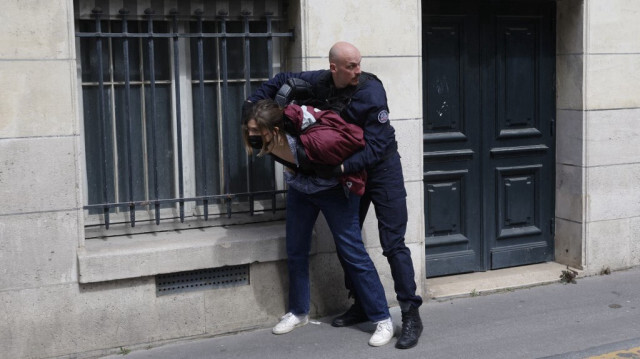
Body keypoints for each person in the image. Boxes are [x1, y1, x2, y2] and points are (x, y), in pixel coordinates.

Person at [245, 41, 423, 349]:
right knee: (346, 242)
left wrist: (339, 168)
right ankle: (360, 305)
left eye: (359, 64)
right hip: (344, 168)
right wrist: (252, 111)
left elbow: (377, 147)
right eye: (351, 66)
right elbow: (281, 80)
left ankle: (410, 315)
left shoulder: (371, 91)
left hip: (380, 169)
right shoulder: (320, 80)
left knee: (392, 243)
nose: (358, 70)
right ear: (334, 68)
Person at [242, 99, 394, 347]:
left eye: (256, 131)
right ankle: (299, 312)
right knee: (296, 250)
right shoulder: (270, 138)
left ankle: (382, 318)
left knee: (352, 252)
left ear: (275, 130)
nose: (251, 134)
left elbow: (349, 153)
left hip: (334, 191)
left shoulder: (309, 142)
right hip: (301, 190)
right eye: (249, 129)